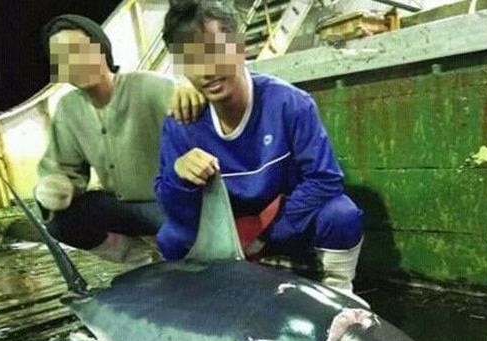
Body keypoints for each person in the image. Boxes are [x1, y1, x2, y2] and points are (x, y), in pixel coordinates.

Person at [156, 0, 364, 293]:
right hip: (226, 234)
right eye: (190, 61)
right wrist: (179, 176)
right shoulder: (181, 123)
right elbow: (174, 209)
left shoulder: (290, 103)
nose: (206, 71)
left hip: (281, 223)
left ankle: (339, 293)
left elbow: (325, 179)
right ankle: (199, 303)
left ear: (239, 47)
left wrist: (266, 234)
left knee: (341, 215)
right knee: (171, 237)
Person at [35, 14, 205, 263]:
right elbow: (61, 169)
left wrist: (193, 89)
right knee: (62, 223)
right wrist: (55, 186)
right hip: (124, 209)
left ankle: (180, 252)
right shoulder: (68, 109)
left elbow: (200, 112)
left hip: (171, 205)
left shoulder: (152, 87)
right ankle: (141, 258)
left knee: (184, 237)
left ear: (102, 49)